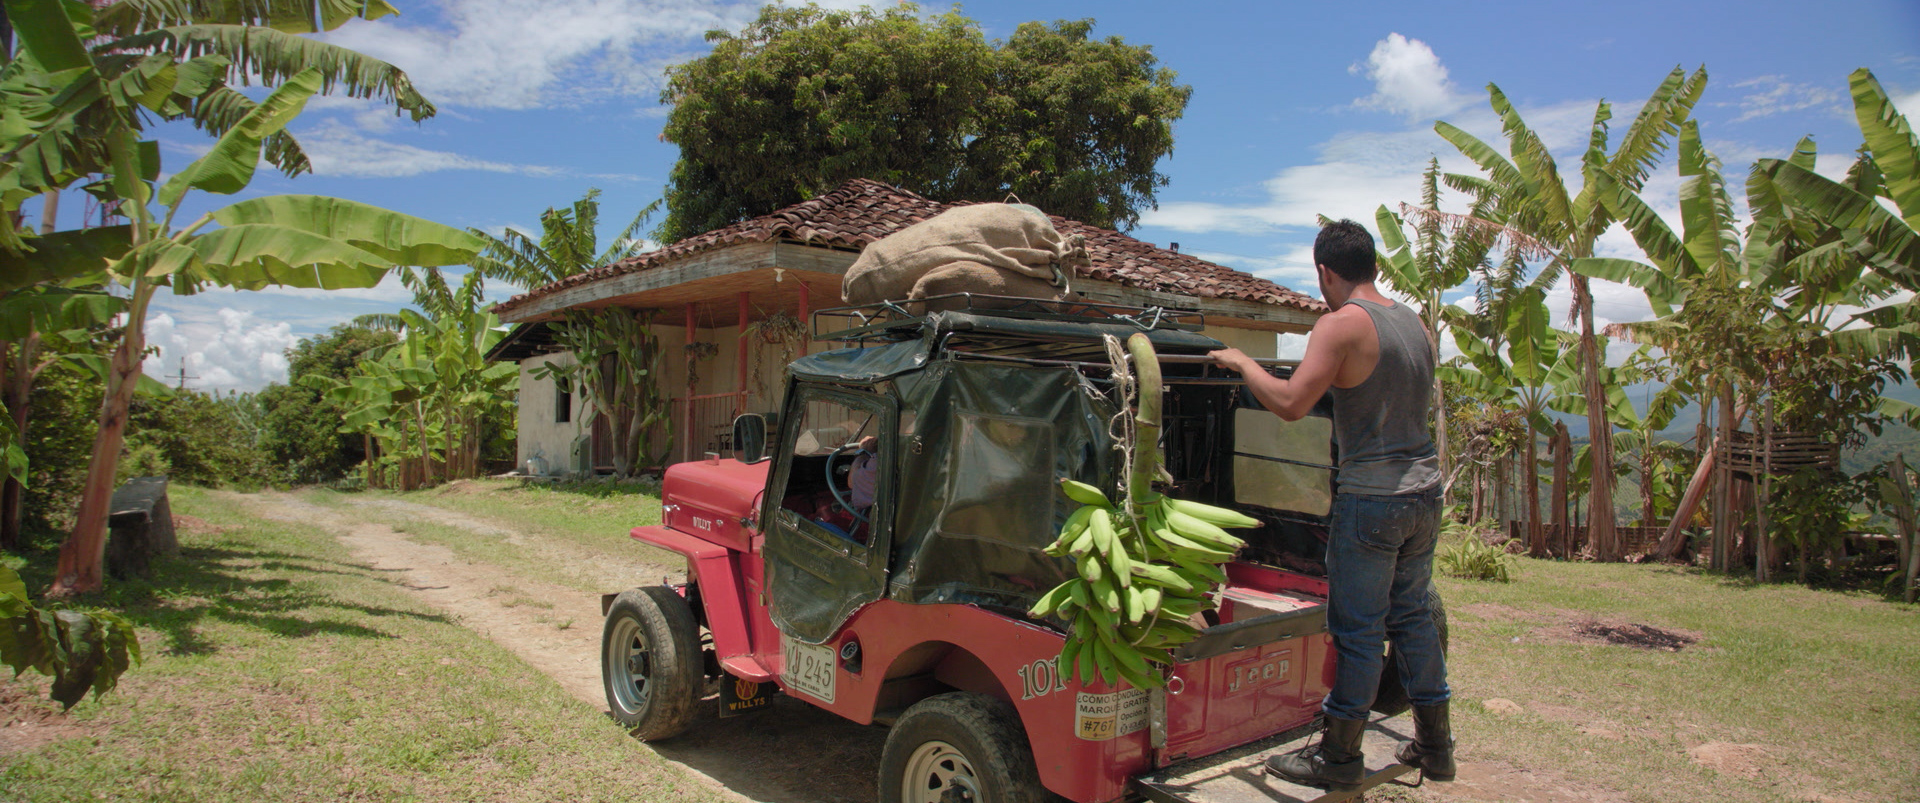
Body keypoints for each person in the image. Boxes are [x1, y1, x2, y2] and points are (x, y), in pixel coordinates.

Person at [1209, 219, 1453, 791]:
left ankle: (1338, 754)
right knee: (1413, 616)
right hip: (1424, 494)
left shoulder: (1340, 325)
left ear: (1325, 271)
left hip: (1371, 501)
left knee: (1359, 630)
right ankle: (1437, 746)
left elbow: (1293, 405)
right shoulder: (1413, 323)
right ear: (1375, 265)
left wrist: (1245, 364)